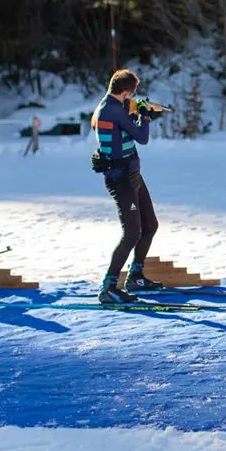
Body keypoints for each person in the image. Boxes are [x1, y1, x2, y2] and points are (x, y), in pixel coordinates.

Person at [90, 69, 160, 304]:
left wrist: (137, 113)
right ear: (126, 91)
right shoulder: (112, 110)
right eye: (133, 93)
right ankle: (108, 287)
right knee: (131, 234)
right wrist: (144, 116)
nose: (134, 97)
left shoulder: (111, 105)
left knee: (150, 225)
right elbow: (143, 137)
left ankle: (135, 276)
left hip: (132, 174)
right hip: (121, 179)